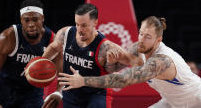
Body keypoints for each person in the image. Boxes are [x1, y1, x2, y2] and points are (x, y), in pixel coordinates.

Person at [59, 16, 201, 108]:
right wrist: (111, 62)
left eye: (148, 37)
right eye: (140, 33)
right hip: (173, 102)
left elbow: (122, 80)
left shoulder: (161, 61)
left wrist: (83, 81)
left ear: (158, 40)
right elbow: (113, 70)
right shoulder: (138, 48)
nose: (141, 39)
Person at [42, 3, 142, 108]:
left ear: (95, 23)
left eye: (84, 25)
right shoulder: (66, 33)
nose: (80, 30)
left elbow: (138, 61)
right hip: (71, 94)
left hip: (96, 94)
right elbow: (54, 48)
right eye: (77, 24)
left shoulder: (105, 47)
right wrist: (40, 61)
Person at [0, 0, 55, 108]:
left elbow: (62, 71)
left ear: (42, 18)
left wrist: (58, 92)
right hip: (4, 89)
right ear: (21, 20)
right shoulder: (7, 37)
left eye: (35, 19)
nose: (31, 24)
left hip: (32, 93)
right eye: (26, 20)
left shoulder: (51, 40)